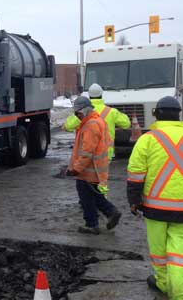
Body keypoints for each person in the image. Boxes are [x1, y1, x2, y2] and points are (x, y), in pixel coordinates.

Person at [127, 96, 183, 298]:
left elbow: (135, 174)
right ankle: (179, 292)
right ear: (178, 114)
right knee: (178, 254)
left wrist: (134, 202)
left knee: (159, 254)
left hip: (155, 209)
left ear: (156, 114)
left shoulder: (148, 139)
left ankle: (164, 284)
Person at [67, 96, 122, 234]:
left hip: (88, 170)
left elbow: (87, 151)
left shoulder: (91, 125)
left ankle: (93, 223)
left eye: (78, 113)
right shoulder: (95, 121)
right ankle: (110, 213)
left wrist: (76, 169)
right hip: (94, 169)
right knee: (94, 196)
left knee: (86, 198)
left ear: (85, 110)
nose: (77, 116)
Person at [64, 83, 131, 160]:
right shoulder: (111, 112)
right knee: (102, 171)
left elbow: (68, 126)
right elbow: (127, 124)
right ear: (101, 94)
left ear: (89, 95)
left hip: (88, 153)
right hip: (106, 154)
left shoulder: (82, 112)